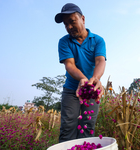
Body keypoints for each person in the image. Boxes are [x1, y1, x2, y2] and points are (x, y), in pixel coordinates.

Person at [54, 3, 106, 143]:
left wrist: (94, 79)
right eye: (66, 24)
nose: (69, 27)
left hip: (92, 89)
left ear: (82, 18)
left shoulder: (98, 40)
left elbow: (100, 61)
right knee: (68, 126)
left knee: (87, 126)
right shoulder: (64, 42)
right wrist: (83, 79)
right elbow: (69, 65)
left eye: (72, 21)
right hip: (72, 90)